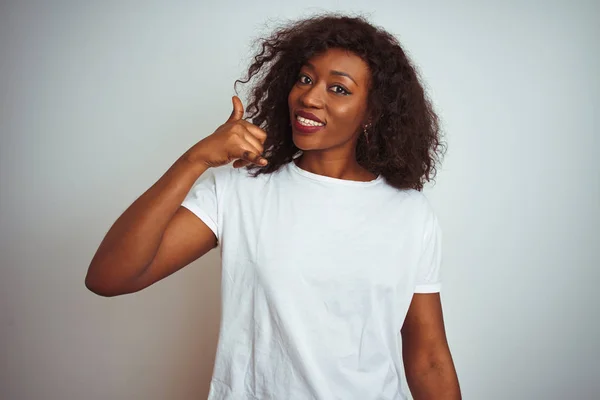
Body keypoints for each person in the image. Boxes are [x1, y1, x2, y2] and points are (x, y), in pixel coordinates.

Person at [85, 14, 461, 400]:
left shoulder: (410, 213)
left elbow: (429, 357)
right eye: (306, 78)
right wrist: (194, 160)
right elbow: (109, 277)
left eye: (339, 89)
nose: (311, 97)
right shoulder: (242, 190)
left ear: (373, 114)